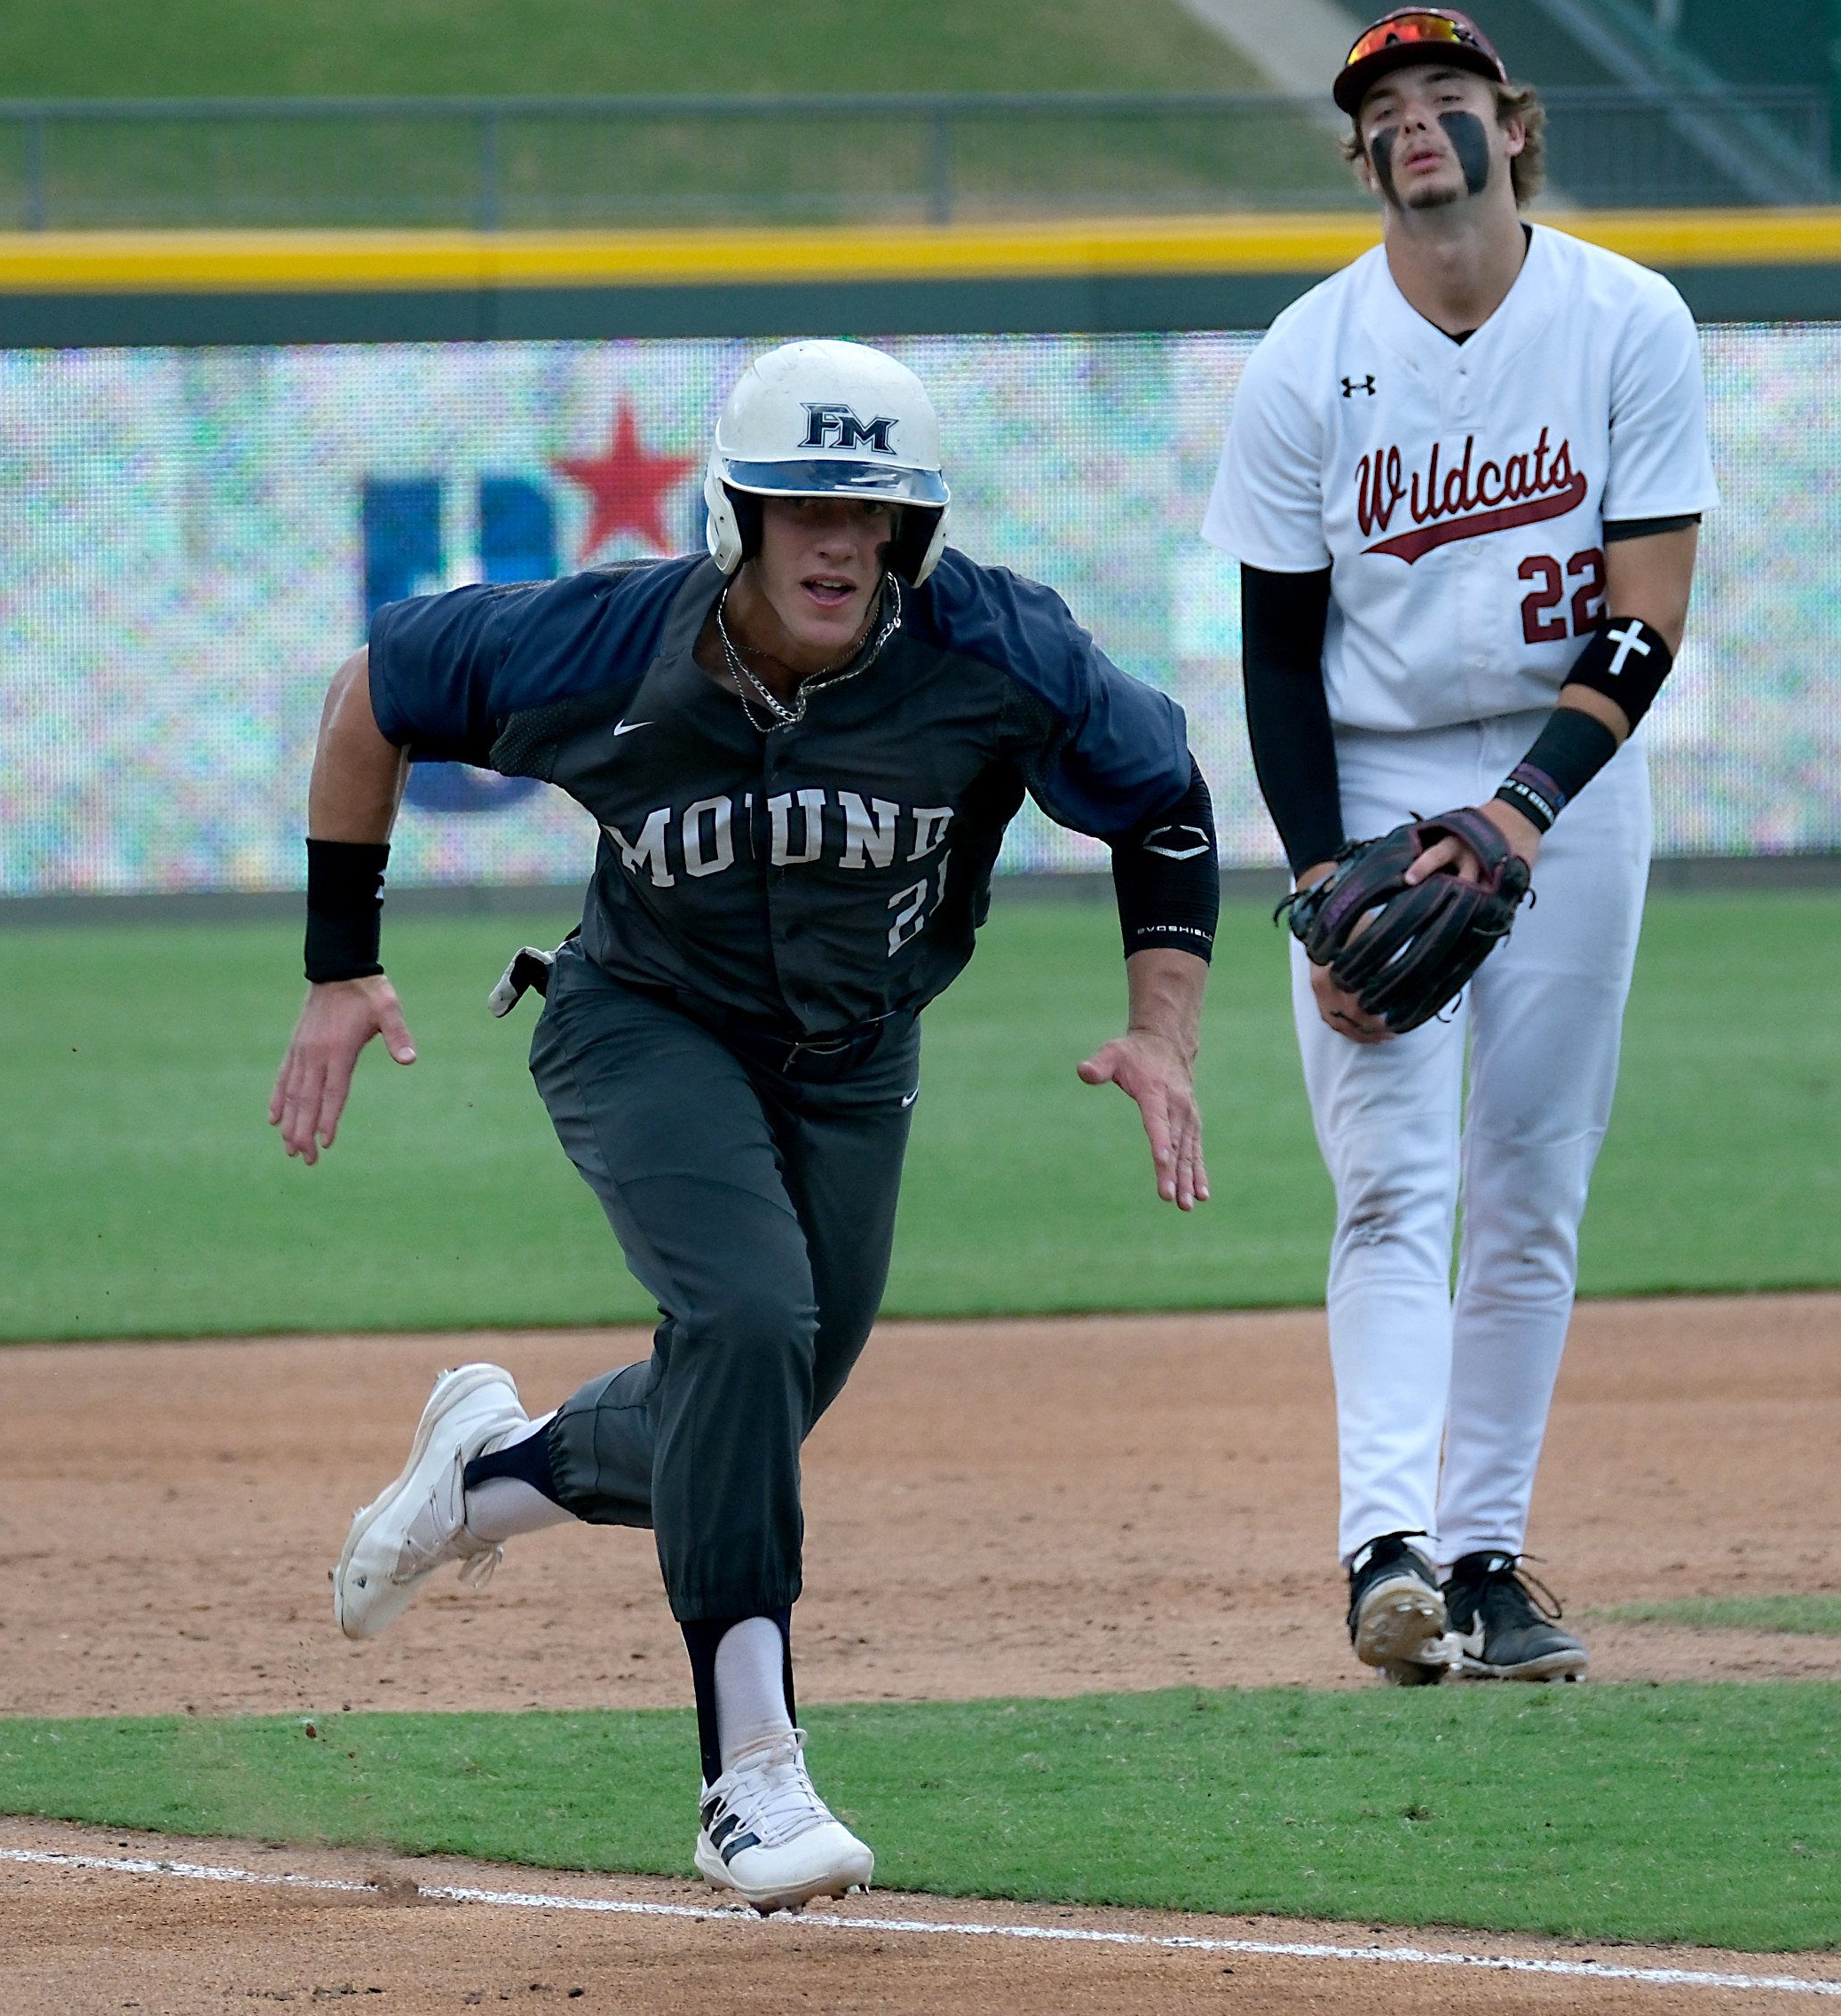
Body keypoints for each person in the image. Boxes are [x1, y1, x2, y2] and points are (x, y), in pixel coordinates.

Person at [271, 339, 1221, 1911]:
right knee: (746, 1317)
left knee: (757, 1393)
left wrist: (1160, 1030)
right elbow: (372, 693)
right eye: (803, 507)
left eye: (877, 513)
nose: (841, 542)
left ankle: (485, 1472)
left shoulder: (996, 649)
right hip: (642, 1023)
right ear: (739, 516)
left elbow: (1163, 792)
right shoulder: (603, 645)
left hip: (856, 1057)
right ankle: (751, 1778)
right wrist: (339, 967)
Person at [1200, 9, 1716, 1686]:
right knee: (1394, 1186)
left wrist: (1522, 814)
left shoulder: (1626, 319)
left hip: (1568, 774)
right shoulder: (1307, 356)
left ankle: (1488, 1558)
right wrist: (1321, 891)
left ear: (1516, 125)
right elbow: (1279, 655)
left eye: (1447, 96)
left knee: (1532, 1184)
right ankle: (1385, 1555)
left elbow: (1645, 624)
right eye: (1385, 109)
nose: (1417, 123)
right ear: (1359, 157)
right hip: (1367, 771)